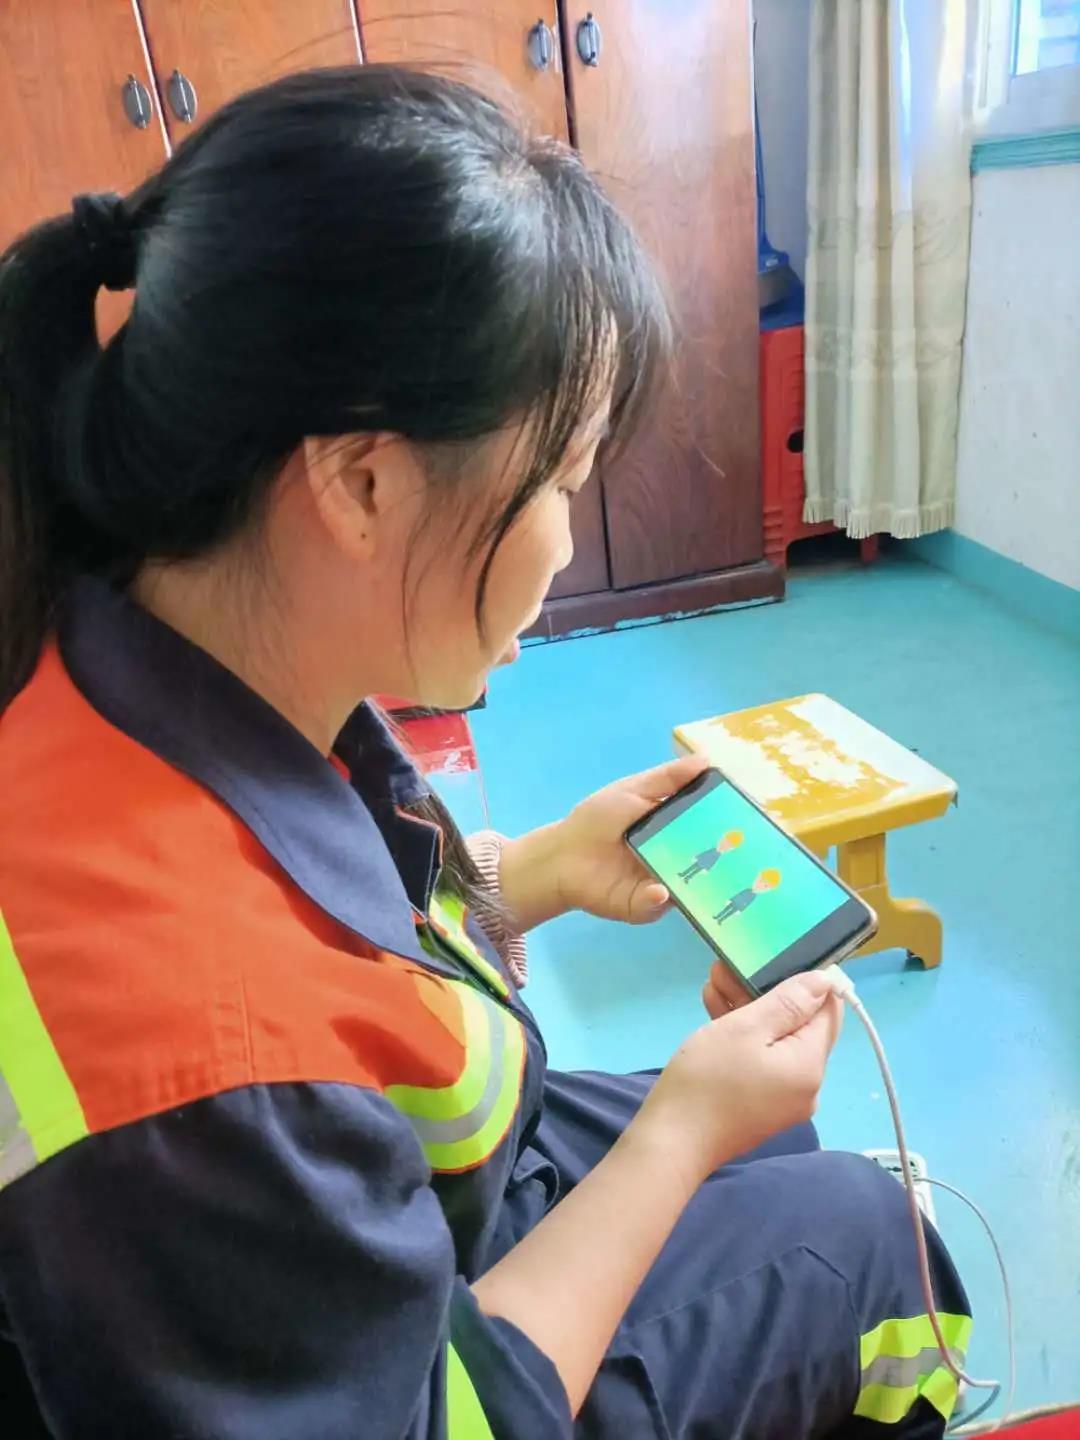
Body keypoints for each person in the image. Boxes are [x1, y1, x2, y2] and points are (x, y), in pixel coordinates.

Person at [0, 68, 971, 1440]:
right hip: (429, 1360)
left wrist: (537, 874)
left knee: (784, 1129)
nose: (564, 538)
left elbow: (332, 946)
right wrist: (679, 1134)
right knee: (870, 1242)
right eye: (560, 479)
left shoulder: (136, 658)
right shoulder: (196, 1058)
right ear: (362, 482)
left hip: (402, 1210)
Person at [714, 866, 783, 925]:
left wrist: (740, 910)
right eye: (761, 880)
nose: (760, 885)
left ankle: (720, 920)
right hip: (734, 902)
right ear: (757, 877)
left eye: (766, 886)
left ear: (768, 889)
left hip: (738, 907)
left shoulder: (754, 896)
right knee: (725, 909)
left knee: (729, 914)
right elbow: (738, 894)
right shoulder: (747, 890)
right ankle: (717, 916)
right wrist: (730, 899)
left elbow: (747, 904)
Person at [677, 828, 744, 882]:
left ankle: (687, 878)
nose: (724, 845)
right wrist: (697, 857)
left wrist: (708, 868)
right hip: (701, 861)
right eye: (724, 842)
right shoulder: (713, 850)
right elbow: (704, 854)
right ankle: (683, 874)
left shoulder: (718, 855)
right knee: (692, 867)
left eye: (728, 845)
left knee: (695, 871)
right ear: (722, 840)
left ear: (729, 848)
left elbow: (713, 862)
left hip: (704, 865)